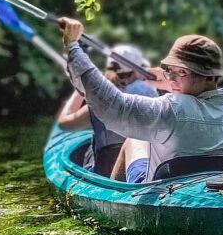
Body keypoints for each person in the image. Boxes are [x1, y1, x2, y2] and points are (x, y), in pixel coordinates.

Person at [60, 18, 223, 183]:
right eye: (170, 70)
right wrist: (170, 79)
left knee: (133, 140)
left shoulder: (170, 108)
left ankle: (116, 194)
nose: (172, 78)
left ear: (210, 77)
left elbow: (110, 104)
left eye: (181, 72)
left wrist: (73, 48)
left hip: (166, 187)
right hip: (217, 180)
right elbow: (195, 100)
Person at [57, 45, 158, 176]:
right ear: (138, 70)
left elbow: (64, 123)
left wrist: (83, 89)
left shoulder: (99, 103)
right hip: (146, 170)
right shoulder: (153, 96)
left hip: (106, 172)